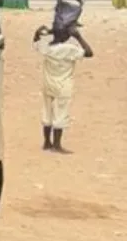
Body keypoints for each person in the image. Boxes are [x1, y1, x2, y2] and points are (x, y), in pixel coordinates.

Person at [34, 9, 93, 152]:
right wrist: (78, 37)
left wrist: (39, 33)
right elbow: (89, 53)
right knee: (60, 113)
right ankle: (57, 145)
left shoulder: (46, 47)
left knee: (47, 112)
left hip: (48, 84)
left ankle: (47, 142)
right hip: (63, 86)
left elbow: (36, 41)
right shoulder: (69, 49)